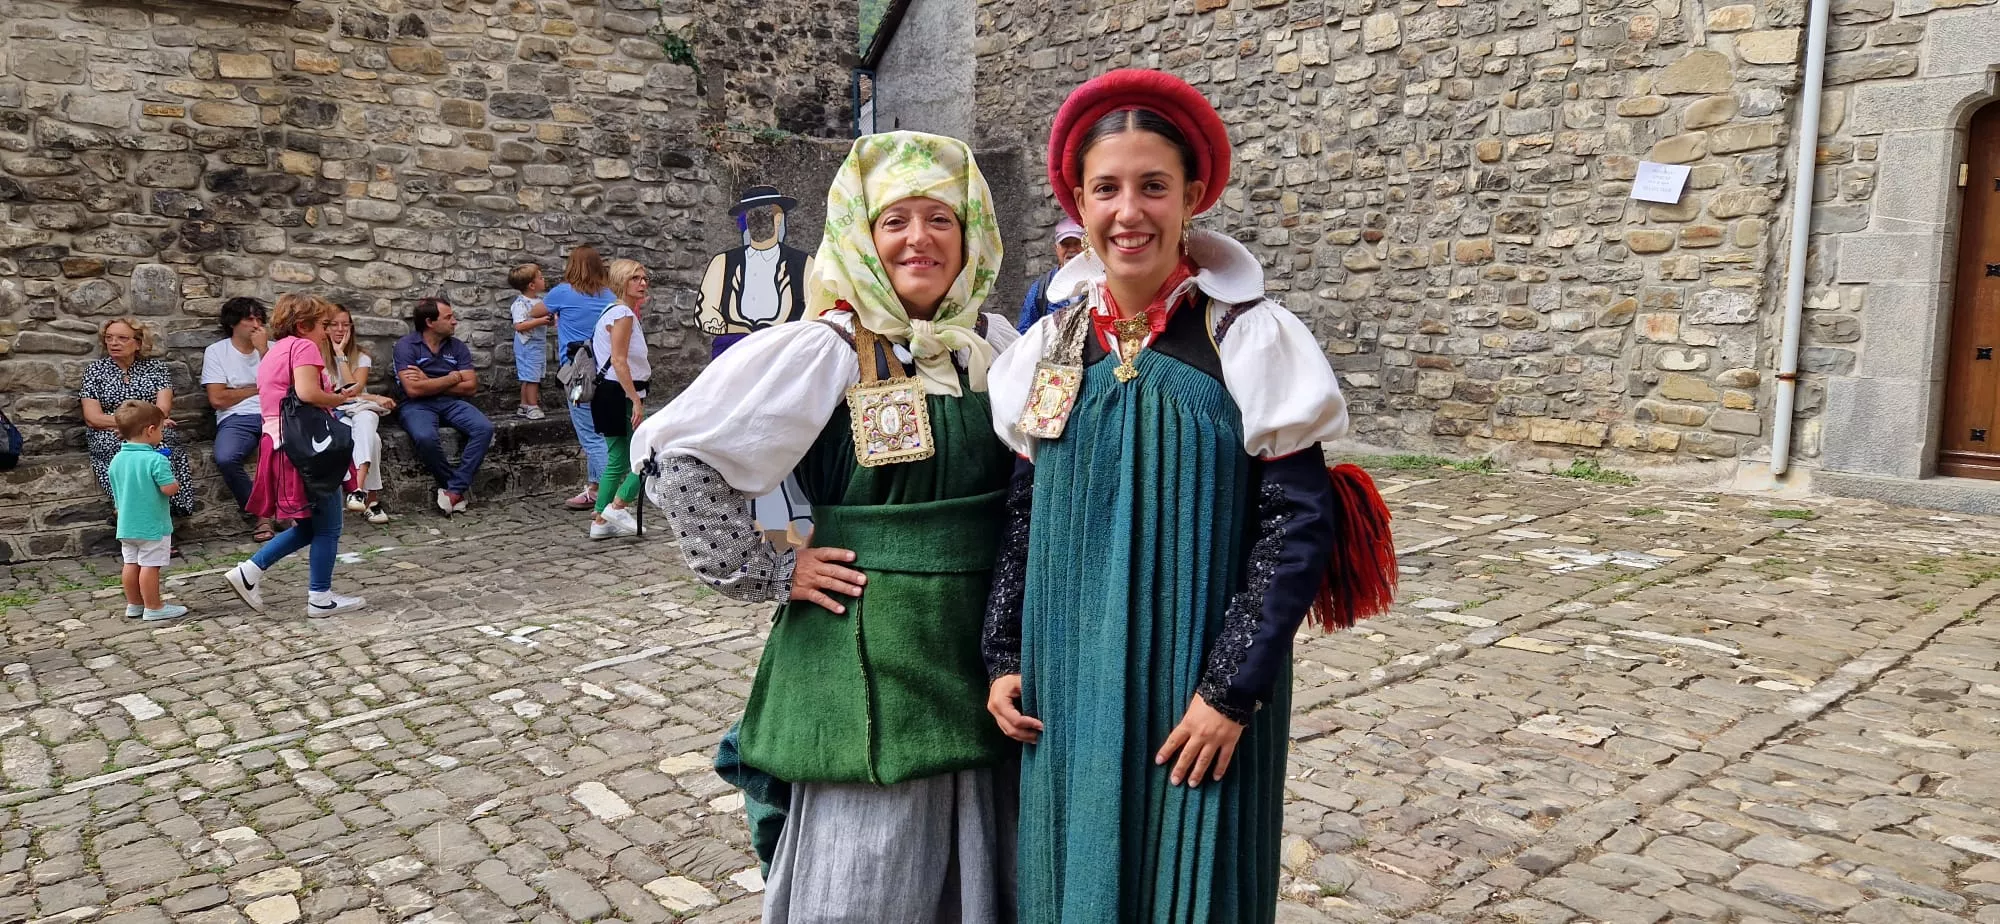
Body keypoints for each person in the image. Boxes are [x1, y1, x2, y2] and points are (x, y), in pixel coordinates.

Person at [984, 70, 1397, 924]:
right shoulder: (1045, 350)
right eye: (1107, 189)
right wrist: (1004, 654)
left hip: (1195, 679)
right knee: (1074, 873)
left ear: (1193, 196)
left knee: (1194, 884)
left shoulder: (1248, 337)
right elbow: (1025, 513)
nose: (1128, 211)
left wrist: (1229, 692)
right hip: (1069, 670)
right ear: (1077, 202)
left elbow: (1297, 525)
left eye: (1153, 186)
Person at [632, 131, 1022, 922]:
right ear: (863, 236)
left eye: (941, 219)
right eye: (896, 221)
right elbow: (678, 455)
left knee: (981, 864)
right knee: (864, 877)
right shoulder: (826, 350)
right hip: (862, 648)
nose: (920, 239)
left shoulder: (998, 349)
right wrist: (773, 571)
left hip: (977, 647)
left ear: (973, 231)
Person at [225, 294, 379, 617]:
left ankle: (249, 572)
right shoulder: (304, 347)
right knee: (329, 527)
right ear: (303, 325)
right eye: (323, 325)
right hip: (307, 448)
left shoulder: (272, 352)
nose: (326, 332)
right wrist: (340, 400)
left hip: (281, 444)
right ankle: (320, 597)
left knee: (311, 526)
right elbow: (308, 394)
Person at [81, 317, 196, 520]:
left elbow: (162, 409)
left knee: (165, 445)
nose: (114, 343)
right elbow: (93, 417)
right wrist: (130, 425)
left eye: (122, 338)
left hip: (150, 429)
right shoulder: (95, 371)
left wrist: (138, 425)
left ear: (138, 343)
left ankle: (157, 513)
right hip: (110, 432)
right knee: (121, 449)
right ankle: (134, 513)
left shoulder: (156, 369)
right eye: (109, 338)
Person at [392, 297, 493, 516]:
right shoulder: (406, 346)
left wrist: (428, 380)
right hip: (416, 405)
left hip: (451, 403)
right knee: (425, 437)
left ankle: (454, 490)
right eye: (448, 317)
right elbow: (413, 390)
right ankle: (453, 487)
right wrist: (453, 377)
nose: (455, 322)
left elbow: (471, 387)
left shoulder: (456, 347)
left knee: (483, 428)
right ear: (430, 322)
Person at [544, 245, 618, 509]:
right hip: (607, 373)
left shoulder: (562, 292)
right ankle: (595, 489)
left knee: (590, 434)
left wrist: (558, 316)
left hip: (578, 377)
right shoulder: (609, 295)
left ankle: (608, 495)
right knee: (604, 431)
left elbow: (534, 312)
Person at [586, 259, 653, 540]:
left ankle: (601, 520)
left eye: (644, 277)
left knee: (617, 457)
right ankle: (619, 504)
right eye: (635, 278)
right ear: (621, 281)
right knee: (649, 456)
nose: (642, 282)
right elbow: (619, 360)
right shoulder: (622, 314)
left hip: (609, 392)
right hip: (621, 393)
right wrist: (635, 400)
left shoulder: (615, 311)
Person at [203, 297, 277, 540]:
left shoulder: (274, 349)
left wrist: (263, 351)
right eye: (249, 319)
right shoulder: (217, 352)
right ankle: (262, 515)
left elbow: (284, 389)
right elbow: (218, 399)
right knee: (225, 457)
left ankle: (296, 511)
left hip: (273, 413)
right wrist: (258, 387)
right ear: (233, 323)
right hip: (237, 418)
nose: (255, 324)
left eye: (259, 318)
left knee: (296, 452)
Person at [108, 400, 188, 622]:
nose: (162, 433)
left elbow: (116, 490)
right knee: (150, 566)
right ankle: (154, 606)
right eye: (161, 429)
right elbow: (168, 489)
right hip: (152, 525)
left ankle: (134, 604)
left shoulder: (116, 460)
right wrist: (175, 484)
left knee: (130, 564)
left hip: (126, 524)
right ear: (150, 430)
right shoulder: (155, 460)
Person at [328, 307, 393, 524]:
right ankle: (370, 500)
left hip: (358, 408)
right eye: (334, 324)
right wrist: (373, 397)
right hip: (335, 411)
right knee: (372, 439)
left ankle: (357, 489)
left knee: (366, 421)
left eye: (345, 324)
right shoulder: (314, 354)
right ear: (324, 327)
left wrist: (341, 356)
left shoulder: (362, 356)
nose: (340, 329)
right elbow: (339, 395)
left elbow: (352, 389)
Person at [1014, 218, 1086, 333]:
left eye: (1077, 243)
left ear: (1087, 246)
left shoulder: (1100, 283)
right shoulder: (1041, 289)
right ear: (1056, 248)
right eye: (1065, 245)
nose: (1072, 249)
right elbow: (1024, 334)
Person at [509, 263, 553, 420]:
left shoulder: (540, 302)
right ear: (532, 285)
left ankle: (524, 405)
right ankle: (533, 406)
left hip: (537, 344)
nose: (544, 279)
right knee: (531, 377)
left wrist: (549, 320)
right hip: (527, 345)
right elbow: (519, 326)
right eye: (540, 277)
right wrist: (540, 321)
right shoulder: (520, 304)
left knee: (530, 376)